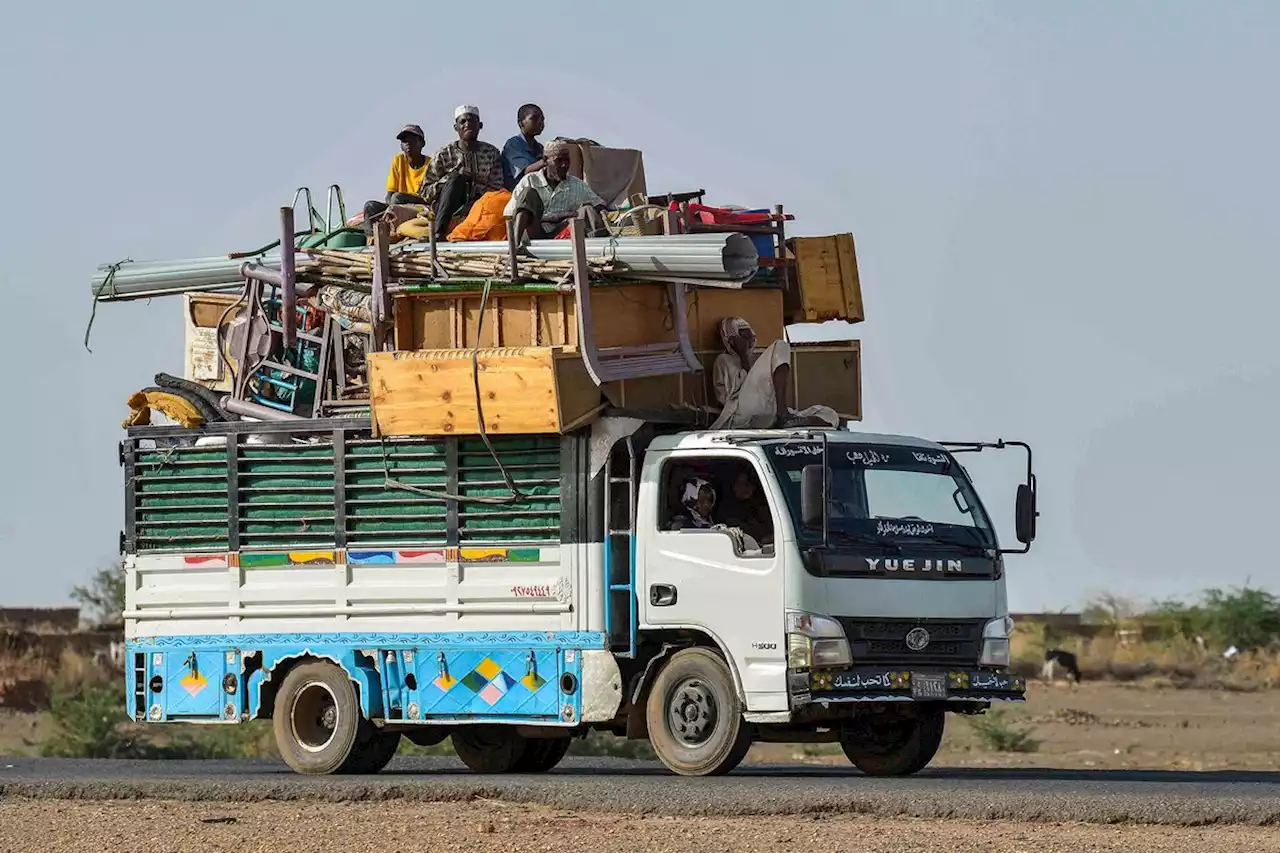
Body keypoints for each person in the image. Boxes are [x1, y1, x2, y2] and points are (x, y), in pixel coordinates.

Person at [710, 317, 841, 430]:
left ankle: (795, 421)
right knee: (780, 345)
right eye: (743, 336)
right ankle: (783, 414)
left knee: (830, 414)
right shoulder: (724, 360)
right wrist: (743, 355)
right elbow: (736, 393)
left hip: (766, 415)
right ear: (732, 340)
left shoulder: (753, 363)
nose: (749, 340)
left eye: (749, 336)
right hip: (740, 413)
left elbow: (759, 389)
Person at [418, 105, 506, 241]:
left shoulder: (491, 153)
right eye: (463, 122)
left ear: (480, 125)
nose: (467, 125)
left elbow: (497, 188)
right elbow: (425, 192)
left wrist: (476, 185)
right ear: (456, 127)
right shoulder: (444, 154)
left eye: (472, 121)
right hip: (448, 207)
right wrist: (452, 177)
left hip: (480, 205)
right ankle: (439, 233)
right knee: (456, 180)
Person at [503, 139, 608, 241]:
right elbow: (510, 214)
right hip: (534, 234)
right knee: (528, 193)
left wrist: (579, 213)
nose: (564, 165)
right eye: (559, 160)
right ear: (545, 161)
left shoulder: (577, 185)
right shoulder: (530, 180)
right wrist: (553, 217)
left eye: (567, 160)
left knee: (587, 210)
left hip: (562, 236)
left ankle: (598, 251)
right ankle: (515, 249)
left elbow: (600, 205)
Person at [361, 124, 432, 233]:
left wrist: (395, 202)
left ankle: (392, 230)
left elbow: (430, 197)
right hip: (398, 205)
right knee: (370, 206)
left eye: (412, 139)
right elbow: (390, 193)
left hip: (421, 207)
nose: (408, 143)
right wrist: (390, 207)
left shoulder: (431, 164)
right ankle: (371, 239)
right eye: (404, 141)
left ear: (422, 143)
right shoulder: (398, 161)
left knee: (398, 197)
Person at [720, 469, 773, 545]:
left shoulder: (762, 505)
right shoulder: (727, 509)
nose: (745, 488)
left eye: (747, 484)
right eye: (740, 484)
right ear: (733, 487)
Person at [501, 104, 546, 191]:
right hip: (515, 195)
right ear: (521, 122)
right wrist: (548, 160)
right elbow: (527, 171)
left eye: (542, 119)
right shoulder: (513, 144)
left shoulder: (539, 147)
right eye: (534, 118)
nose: (540, 122)